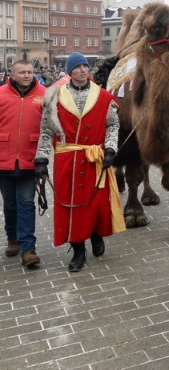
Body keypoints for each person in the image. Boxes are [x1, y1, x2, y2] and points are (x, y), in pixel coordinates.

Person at [34, 52, 121, 272]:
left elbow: (112, 125)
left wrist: (111, 148)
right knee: (69, 206)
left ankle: (96, 234)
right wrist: (41, 159)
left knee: (94, 203)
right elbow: (45, 130)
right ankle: (78, 250)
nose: (83, 70)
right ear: (70, 71)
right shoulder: (54, 97)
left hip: (94, 158)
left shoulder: (103, 96)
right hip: (67, 160)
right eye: (77, 67)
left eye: (85, 66)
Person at [0, 60, 45, 268]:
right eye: (22, 72)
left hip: (30, 158)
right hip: (4, 158)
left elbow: (49, 127)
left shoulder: (44, 94)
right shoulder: (1, 93)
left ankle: (28, 249)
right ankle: (13, 238)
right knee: (10, 203)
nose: (27, 75)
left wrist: (44, 158)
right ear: (12, 74)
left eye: (30, 72)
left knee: (26, 203)